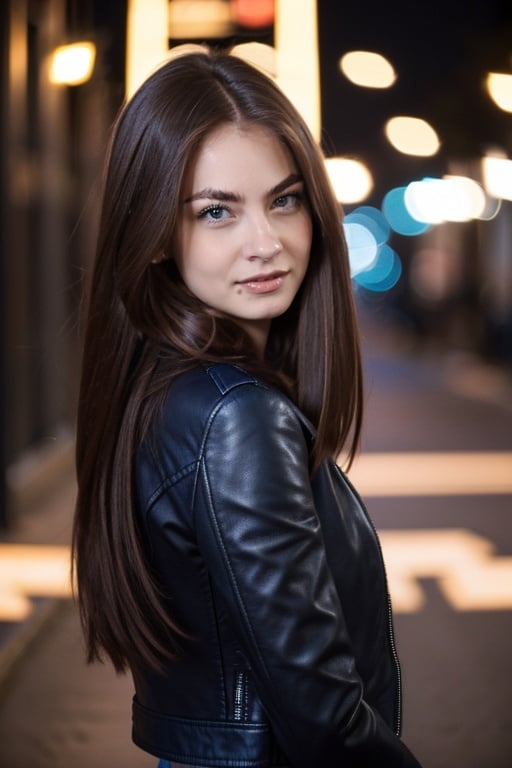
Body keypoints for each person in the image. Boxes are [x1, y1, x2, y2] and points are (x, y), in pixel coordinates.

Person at [72, 49, 422, 768]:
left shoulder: (173, 392)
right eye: (216, 212)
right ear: (156, 236)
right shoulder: (236, 417)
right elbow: (325, 722)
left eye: (285, 199)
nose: (266, 244)